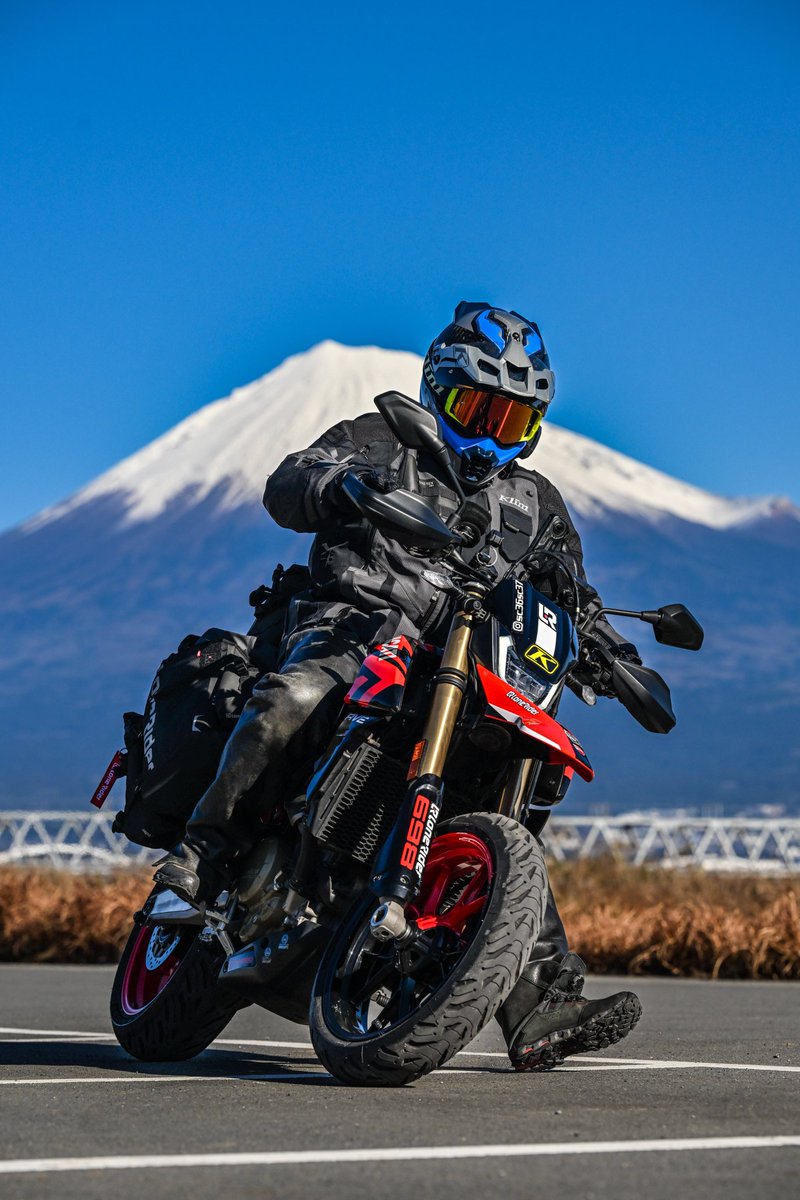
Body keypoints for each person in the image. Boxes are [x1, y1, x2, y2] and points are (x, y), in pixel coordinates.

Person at [156, 301, 643, 1070]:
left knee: (518, 777)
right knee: (295, 698)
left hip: (459, 665)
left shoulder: (537, 504)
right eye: (474, 408)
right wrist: (341, 488)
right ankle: (203, 853)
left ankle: (540, 998)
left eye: (512, 421)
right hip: (351, 625)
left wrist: (611, 649)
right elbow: (289, 482)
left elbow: (571, 590)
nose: (489, 435)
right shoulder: (380, 438)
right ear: (437, 391)